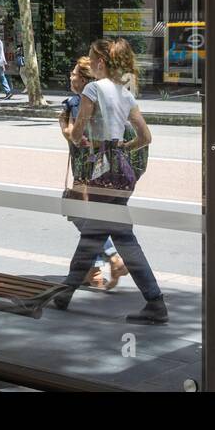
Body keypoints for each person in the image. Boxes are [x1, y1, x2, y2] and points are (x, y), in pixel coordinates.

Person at [54, 38, 166, 324]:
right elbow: (145, 137)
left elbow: (78, 134)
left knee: (93, 233)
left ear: (101, 63)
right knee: (121, 234)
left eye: (92, 60)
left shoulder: (93, 88)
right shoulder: (125, 93)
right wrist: (121, 150)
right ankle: (154, 301)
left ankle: (66, 291)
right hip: (122, 173)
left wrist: (73, 132)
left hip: (101, 173)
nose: (90, 65)